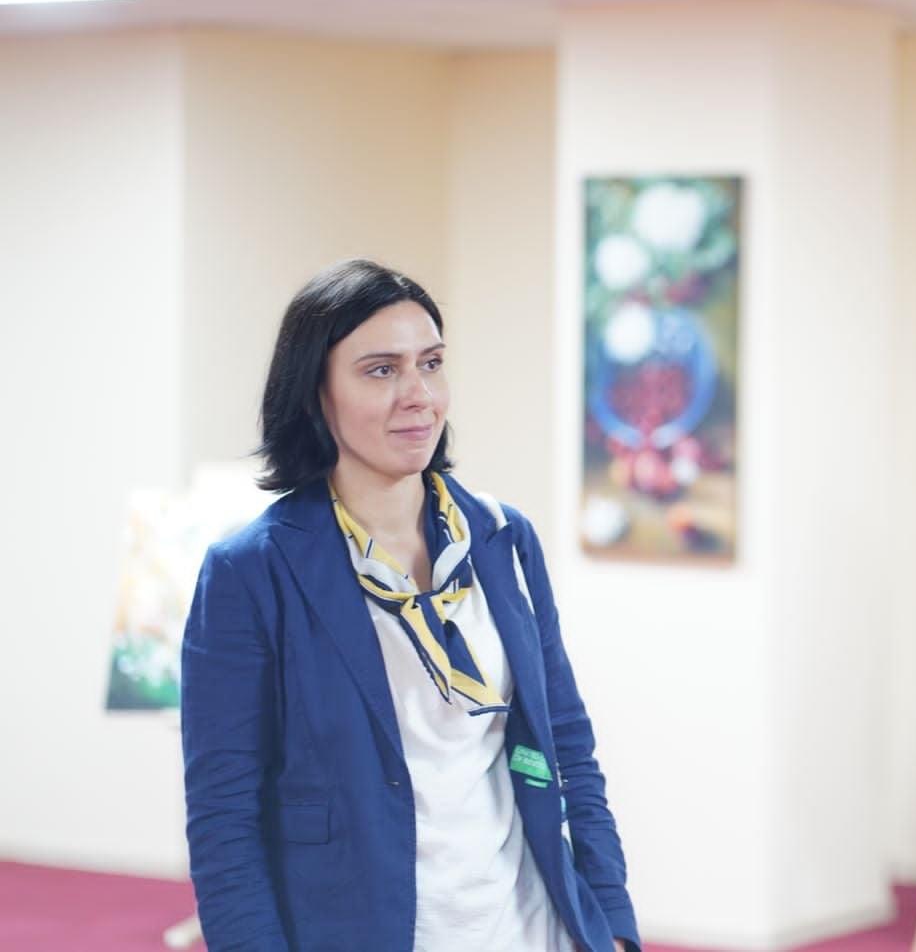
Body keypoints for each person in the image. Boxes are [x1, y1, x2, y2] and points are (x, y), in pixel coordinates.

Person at [181, 259, 639, 952]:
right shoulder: (252, 572)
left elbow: (567, 745)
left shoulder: (502, 537)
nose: (419, 395)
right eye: (381, 370)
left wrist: (612, 923)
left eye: (430, 363)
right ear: (315, 394)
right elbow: (224, 818)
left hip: (531, 928)